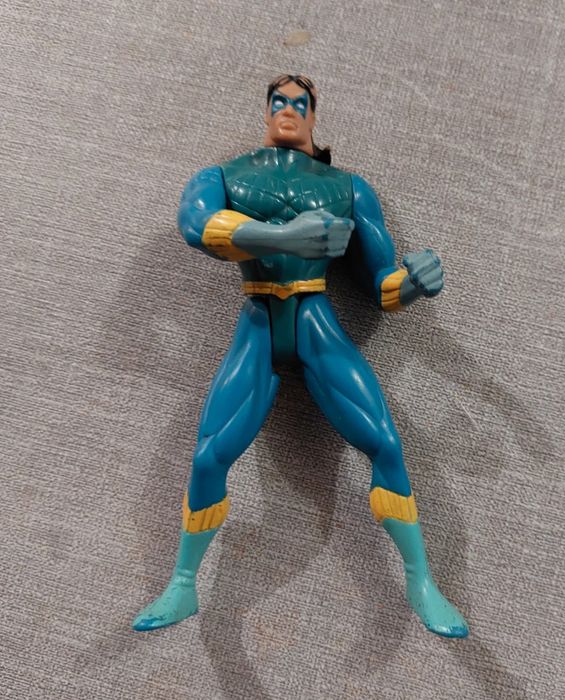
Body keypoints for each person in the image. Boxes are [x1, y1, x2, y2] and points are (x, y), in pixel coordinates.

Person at [133, 75, 468, 638]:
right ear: (266, 111)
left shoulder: (348, 188)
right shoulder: (225, 176)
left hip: (315, 320)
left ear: (314, 115)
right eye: (279, 102)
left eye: (299, 103)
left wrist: (415, 283)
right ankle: (183, 584)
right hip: (260, 320)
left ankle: (421, 581)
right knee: (210, 455)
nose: (288, 109)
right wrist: (284, 239)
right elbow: (196, 226)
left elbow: (382, 286)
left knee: (386, 443)